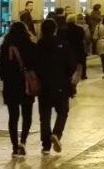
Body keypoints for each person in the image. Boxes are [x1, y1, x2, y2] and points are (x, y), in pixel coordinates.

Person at [36, 19, 76, 155]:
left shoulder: (39, 45)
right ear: (54, 29)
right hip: (61, 84)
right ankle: (56, 133)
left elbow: (35, 65)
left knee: (44, 116)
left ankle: (46, 146)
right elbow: (71, 65)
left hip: (44, 85)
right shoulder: (62, 44)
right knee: (63, 111)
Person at [0, 21, 38, 157]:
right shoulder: (30, 45)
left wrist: (7, 78)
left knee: (13, 117)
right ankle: (23, 141)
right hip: (26, 84)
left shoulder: (5, 47)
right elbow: (35, 65)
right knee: (27, 115)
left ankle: (15, 147)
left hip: (11, 85)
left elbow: (1, 69)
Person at [65, 14, 87, 81]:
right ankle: (83, 74)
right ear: (75, 20)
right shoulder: (80, 29)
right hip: (79, 47)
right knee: (81, 62)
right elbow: (83, 37)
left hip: (68, 48)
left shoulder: (63, 29)